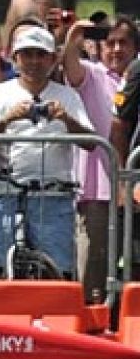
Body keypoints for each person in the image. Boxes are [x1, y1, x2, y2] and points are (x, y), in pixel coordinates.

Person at [0, 25, 93, 279]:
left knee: (56, 270)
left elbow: (91, 142)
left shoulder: (67, 96)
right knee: (0, 268)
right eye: (27, 54)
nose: (34, 61)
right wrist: (8, 119)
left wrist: (66, 119)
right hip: (6, 193)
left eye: (41, 54)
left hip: (53, 195)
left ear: (53, 60)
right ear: (14, 58)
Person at [63, 15, 132, 299]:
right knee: (93, 261)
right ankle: (90, 320)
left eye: (123, 43)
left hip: (134, 184)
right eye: (110, 43)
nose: (115, 49)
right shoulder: (93, 75)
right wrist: (74, 36)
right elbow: (69, 65)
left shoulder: (135, 77)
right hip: (99, 188)